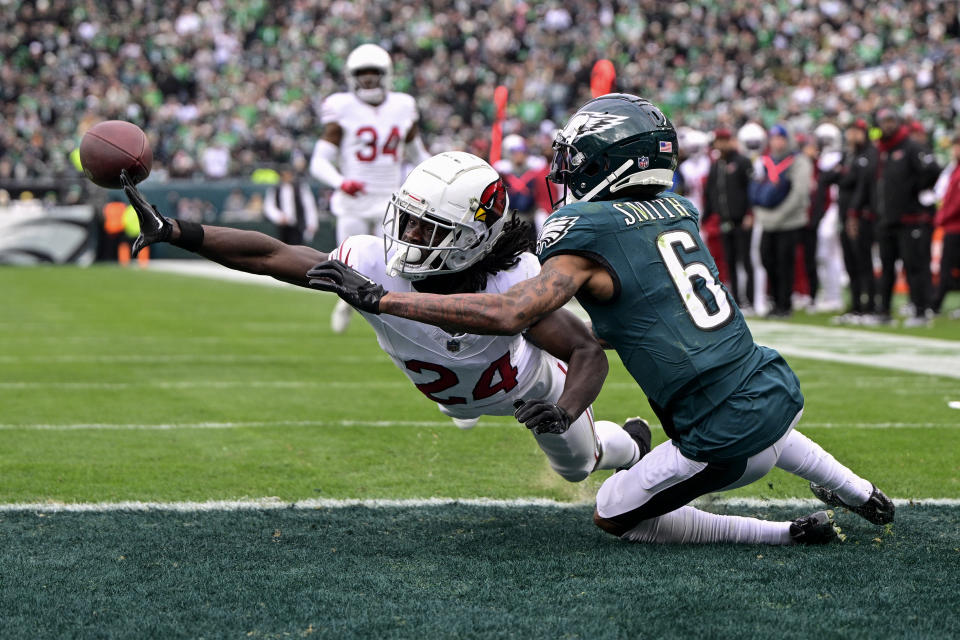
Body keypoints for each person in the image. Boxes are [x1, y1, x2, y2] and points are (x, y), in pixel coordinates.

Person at [313, 94, 894, 545]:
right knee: (752, 413)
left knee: (613, 512)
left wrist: (384, 300)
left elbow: (513, 311)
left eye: (579, 157)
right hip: (768, 382)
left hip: (715, 429)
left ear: (615, 162)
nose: (567, 170)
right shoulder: (678, 210)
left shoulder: (584, 231)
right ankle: (860, 491)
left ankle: (785, 533)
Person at [118, 153, 648, 485]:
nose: (409, 237)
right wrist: (176, 230)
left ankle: (632, 444)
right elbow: (271, 255)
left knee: (577, 467)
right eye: (409, 220)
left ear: (474, 240)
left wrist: (566, 408)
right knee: (455, 394)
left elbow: (586, 352)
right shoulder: (368, 263)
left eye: (429, 230)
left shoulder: (511, 284)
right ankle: (461, 406)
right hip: (454, 385)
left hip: (526, 390)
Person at [309, 43, 431, 334]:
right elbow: (319, 161)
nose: (367, 80)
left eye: (373, 73)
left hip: (392, 199)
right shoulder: (342, 107)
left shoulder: (403, 106)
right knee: (346, 263)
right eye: (362, 74)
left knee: (393, 266)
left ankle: (393, 318)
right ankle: (344, 302)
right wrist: (341, 182)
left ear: (385, 74)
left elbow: (419, 155)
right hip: (354, 199)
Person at [874, 108, 941, 327]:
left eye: (891, 120)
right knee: (887, 268)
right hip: (886, 220)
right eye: (884, 121)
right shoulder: (881, 150)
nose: (888, 125)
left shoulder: (911, 147)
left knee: (914, 267)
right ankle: (884, 311)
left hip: (909, 219)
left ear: (898, 122)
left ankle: (920, 310)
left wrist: (916, 193)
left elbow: (933, 170)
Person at [750, 124, 813, 318]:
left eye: (781, 138)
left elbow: (799, 194)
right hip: (767, 221)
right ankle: (775, 300)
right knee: (767, 259)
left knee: (785, 263)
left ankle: (785, 305)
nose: (777, 142)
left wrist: (778, 215)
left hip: (789, 222)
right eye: (774, 138)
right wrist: (762, 214)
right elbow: (754, 189)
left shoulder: (799, 162)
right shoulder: (764, 161)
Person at [826, 119, 879, 324]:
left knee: (864, 261)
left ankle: (870, 306)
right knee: (850, 262)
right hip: (844, 214)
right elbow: (829, 176)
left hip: (861, 216)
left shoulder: (870, 154)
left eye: (856, 132)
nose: (852, 136)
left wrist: (854, 213)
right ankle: (856, 305)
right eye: (850, 131)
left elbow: (859, 183)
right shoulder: (848, 155)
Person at [704, 128, 754, 309]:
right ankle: (737, 300)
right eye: (719, 141)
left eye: (725, 140)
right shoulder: (716, 165)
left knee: (746, 261)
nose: (722, 144)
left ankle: (751, 299)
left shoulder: (742, 162)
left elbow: (751, 190)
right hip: (724, 221)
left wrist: (750, 213)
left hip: (742, 220)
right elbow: (710, 193)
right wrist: (705, 218)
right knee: (730, 261)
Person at [932, 134, 960, 317]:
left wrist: (941, 218)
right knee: (947, 267)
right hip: (952, 226)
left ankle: (935, 304)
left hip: (955, 227)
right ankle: (935, 303)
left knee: (947, 267)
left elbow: (956, 203)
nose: (955, 150)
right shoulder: (954, 169)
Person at [263, 163, 320, 246]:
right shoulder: (275, 189)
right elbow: (269, 206)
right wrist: (279, 217)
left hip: (298, 226)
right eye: (284, 174)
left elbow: (309, 206)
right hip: (281, 228)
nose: (287, 177)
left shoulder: (301, 188)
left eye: (288, 174)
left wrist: (312, 223)